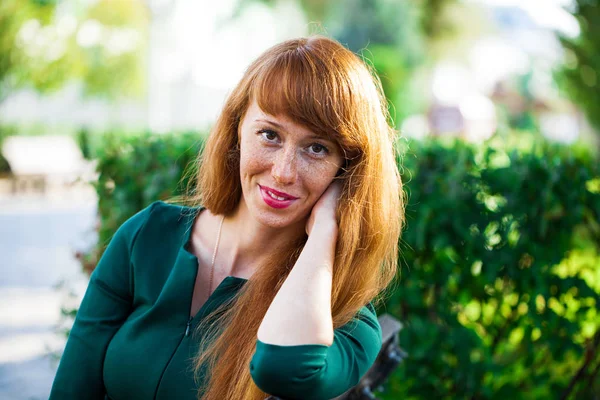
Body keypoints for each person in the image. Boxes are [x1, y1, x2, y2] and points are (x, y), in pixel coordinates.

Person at [50, 35, 404, 400]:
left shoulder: (345, 321)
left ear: (347, 171)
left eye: (317, 148)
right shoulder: (147, 237)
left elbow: (285, 368)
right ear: (237, 129)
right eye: (269, 134)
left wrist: (327, 229)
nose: (283, 172)